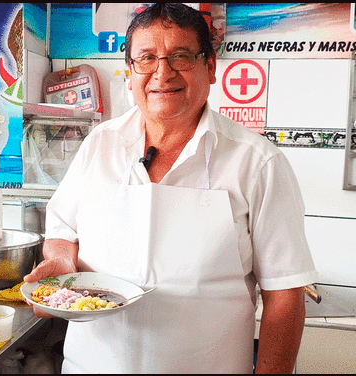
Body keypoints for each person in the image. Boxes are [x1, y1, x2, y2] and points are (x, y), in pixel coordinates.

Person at [24, 3, 317, 374]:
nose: (162, 73)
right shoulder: (100, 145)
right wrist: (63, 262)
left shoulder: (257, 163)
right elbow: (62, 231)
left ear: (209, 67)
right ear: (129, 73)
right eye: (146, 58)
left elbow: (285, 297)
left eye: (180, 56)